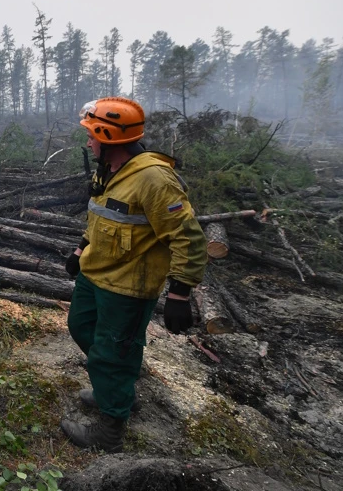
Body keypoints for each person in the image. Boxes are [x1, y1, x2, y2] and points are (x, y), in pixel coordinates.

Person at [61, 96, 207, 452]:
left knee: (112, 352)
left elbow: (188, 236)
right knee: (81, 328)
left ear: (109, 138)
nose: (88, 142)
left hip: (127, 287)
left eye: (92, 136)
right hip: (95, 274)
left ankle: (109, 432)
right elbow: (101, 216)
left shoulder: (154, 179)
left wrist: (180, 293)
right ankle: (116, 388)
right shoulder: (109, 169)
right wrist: (80, 250)